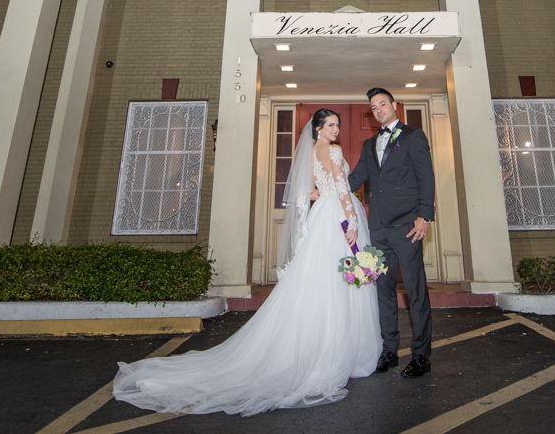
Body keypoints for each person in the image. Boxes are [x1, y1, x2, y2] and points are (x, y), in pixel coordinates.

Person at [112, 108, 380, 417]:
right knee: (341, 281)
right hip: (339, 218)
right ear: (318, 128)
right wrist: (351, 218)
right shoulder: (332, 151)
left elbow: (308, 191)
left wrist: (326, 199)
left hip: (323, 216)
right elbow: (343, 187)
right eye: (330, 124)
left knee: (324, 282)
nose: (335, 129)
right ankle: (338, 353)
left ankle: (324, 347)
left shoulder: (311, 153)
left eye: (337, 125)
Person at [348, 87, 436, 378]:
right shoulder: (368, 144)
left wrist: (424, 216)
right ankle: (389, 350)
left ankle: (422, 354)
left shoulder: (413, 136)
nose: (378, 110)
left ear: (394, 105)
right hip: (379, 230)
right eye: (373, 107)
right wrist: (323, 186)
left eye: (382, 104)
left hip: (408, 227)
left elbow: (426, 178)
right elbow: (356, 179)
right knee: (383, 292)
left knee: (415, 292)